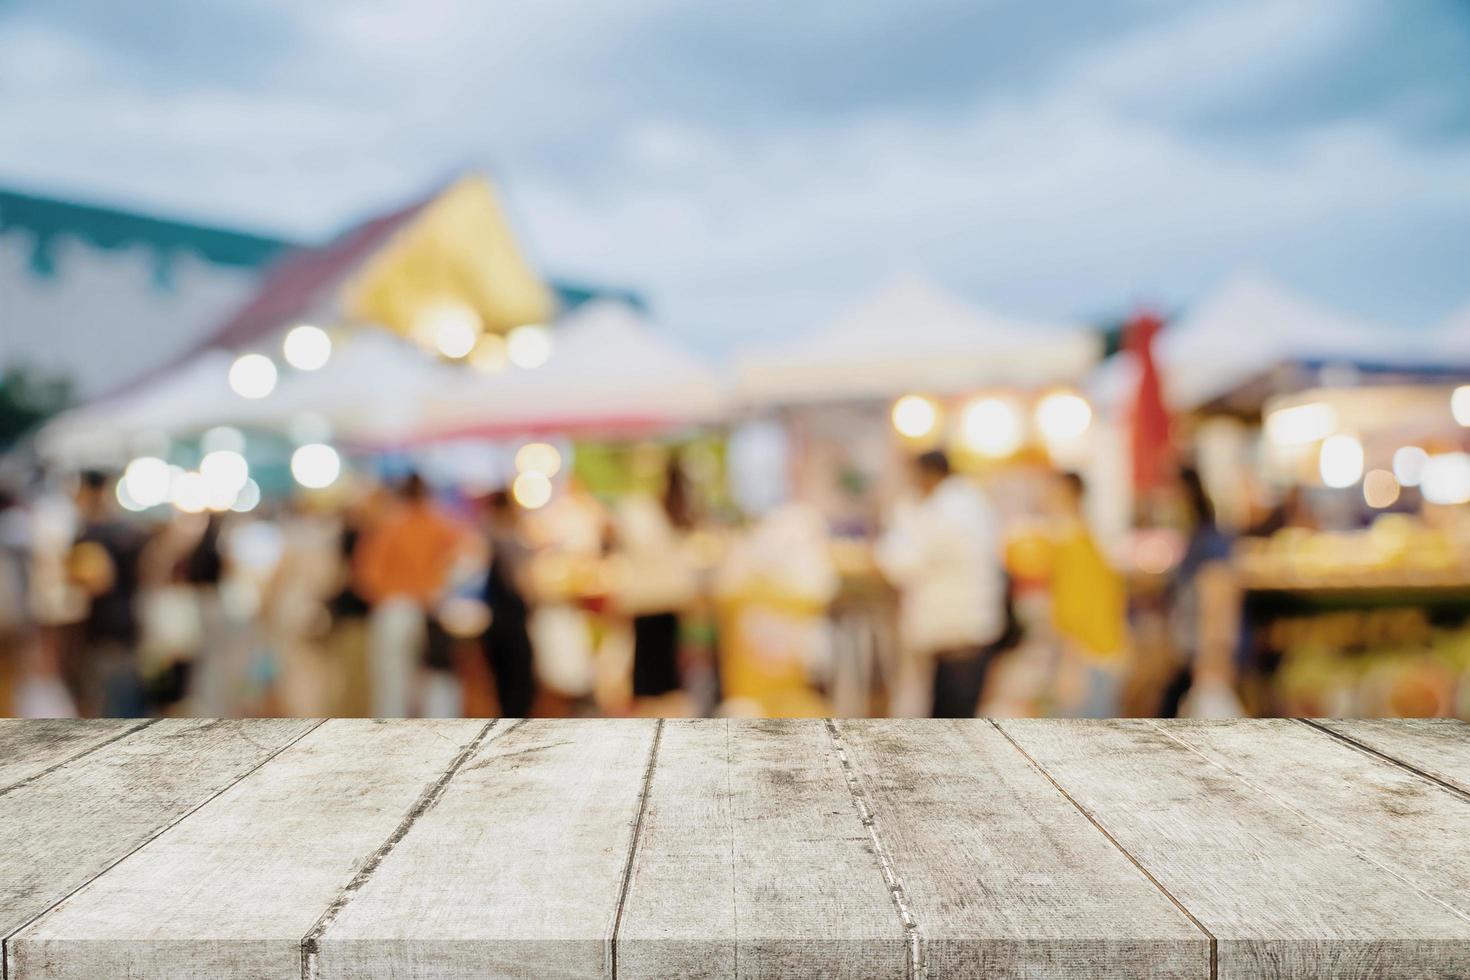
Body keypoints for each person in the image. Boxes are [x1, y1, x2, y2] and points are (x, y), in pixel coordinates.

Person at [875, 451, 1004, 718]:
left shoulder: (954, 510)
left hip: (958, 633)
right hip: (956, 633)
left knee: (954, 718)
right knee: (949, 713)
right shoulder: (962, 503)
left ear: (928, 474)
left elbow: (903, 561)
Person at [355, 473, 465, 716]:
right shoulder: (442, 525)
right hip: (430, 607)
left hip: (395, 609)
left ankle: (391, 740)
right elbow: (466, 560)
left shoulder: (387, 527)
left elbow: (367, 577)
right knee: (435, 678)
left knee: (392, 681)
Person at [1160, 467, 1240, 717]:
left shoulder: (1210, 542)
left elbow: (1219, 605)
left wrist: (1211, 661)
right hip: (1192, 658)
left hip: (1204, 661)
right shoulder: (1196, 539)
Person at [65, 470, 147, 716]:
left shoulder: (90, 534)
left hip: (104, 631)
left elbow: (98, 582)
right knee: (130, 700)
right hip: (129, 622)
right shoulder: (129, 530)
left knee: (112, 705)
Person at [1047, 472, 1128, 717]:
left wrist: (1069, 666)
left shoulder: (1072, 541)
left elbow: (1075, 608)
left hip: (1088, 659)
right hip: (1101, 653)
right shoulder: (1087, 537)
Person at [481, 490, 536, 717]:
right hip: (511, 621)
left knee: (502, 681)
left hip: (492, 623)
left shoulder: (484, 537)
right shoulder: (509, 540)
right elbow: (523, 584)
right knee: (519, 681)